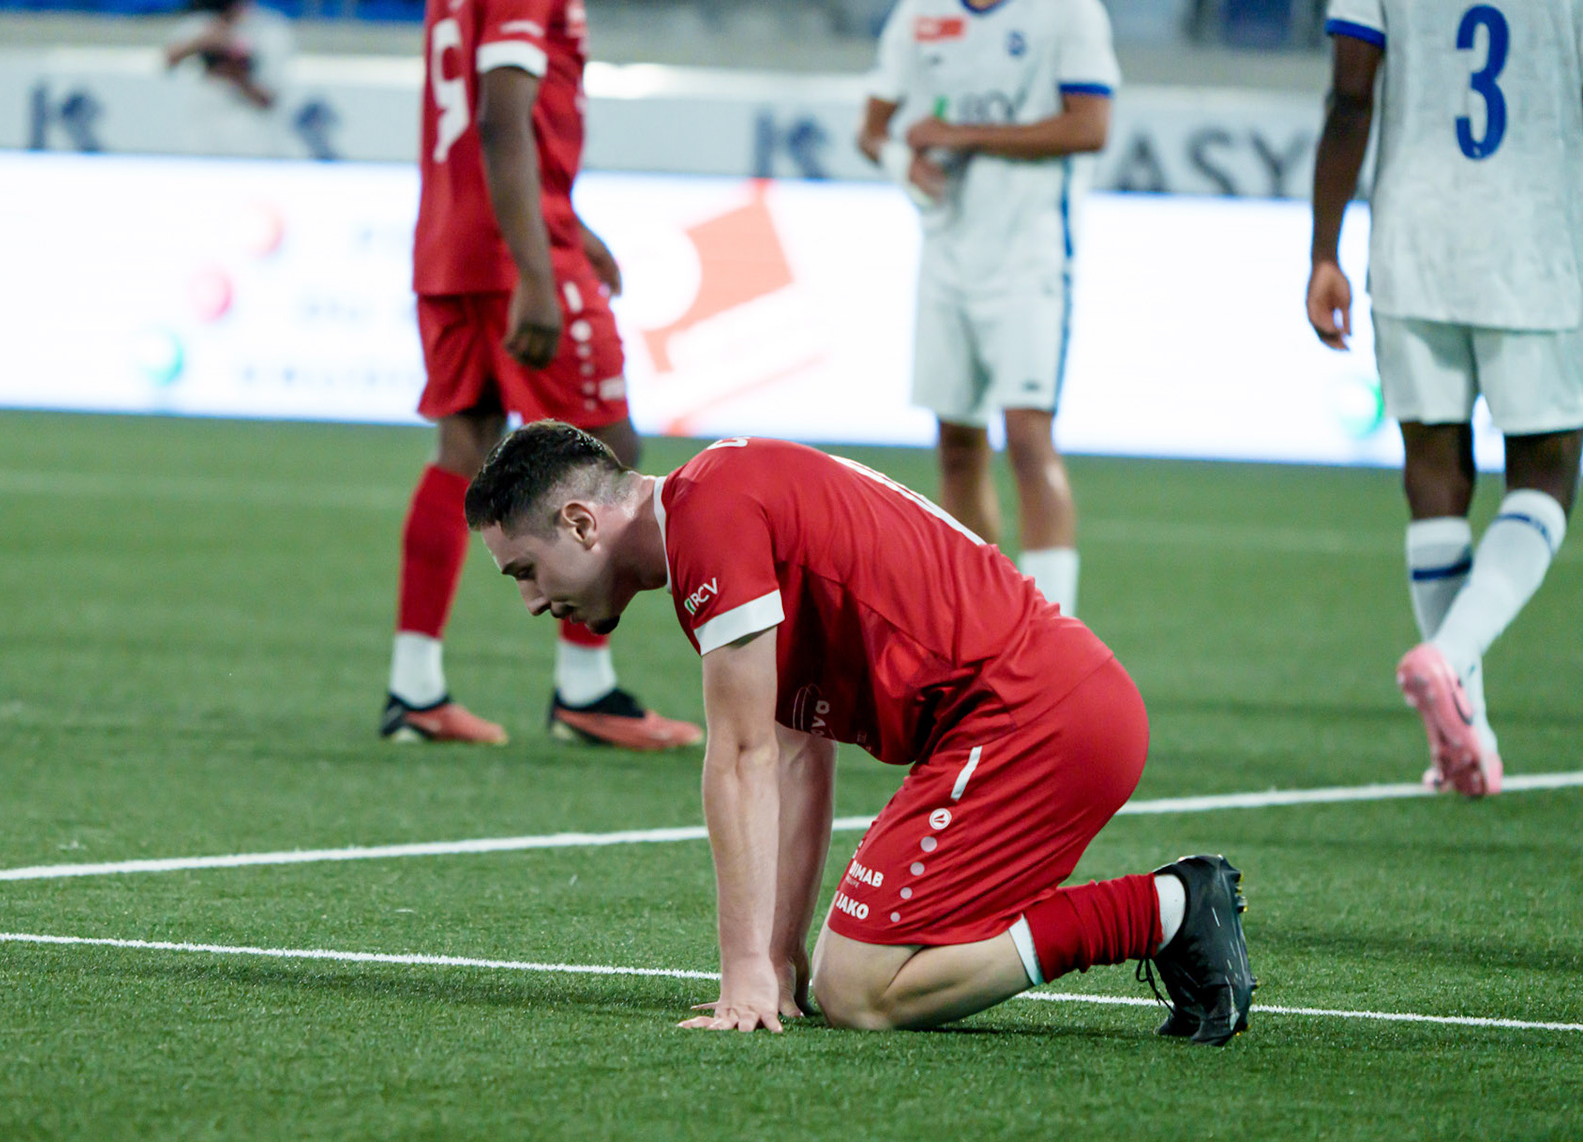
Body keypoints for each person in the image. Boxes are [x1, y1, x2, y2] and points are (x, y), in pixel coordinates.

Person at [465, 423, 1257, 1042]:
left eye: (525, 571)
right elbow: (798, 754)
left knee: (857, 989)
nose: (532, 603)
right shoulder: (714, 502)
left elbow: (741, 758)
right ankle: (1168, 908)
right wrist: (774, 957)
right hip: (1040, 708)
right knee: (850, 974)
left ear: (580, 522)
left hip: (1031, 715)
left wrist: (741, 975)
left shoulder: (710, 518)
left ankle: (1165, 908)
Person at [384, 0, 702, 752]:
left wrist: (566, 223)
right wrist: (536, 267)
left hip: (452, 241)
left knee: (462, 450)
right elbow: (502, 117)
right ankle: (585, 688)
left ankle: (414, 687)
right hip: (513, 252)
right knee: (607, 452)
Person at [1307, 0, 1583, 796]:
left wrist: (1324, 250)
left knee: (1433, 474)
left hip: (1413, 242)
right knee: (1547, 473)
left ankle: (1467, 736)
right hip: (1533, 247)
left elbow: (1349, 97)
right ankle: (1451, 656)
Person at [855, 0, 1120, 618]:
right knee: (956, 442)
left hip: (1030, 258)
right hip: (946, 254)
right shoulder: (921, 13)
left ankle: (1055, 634)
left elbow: (1089, 127)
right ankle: (979, 624)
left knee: (1027, 436)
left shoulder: (1070, 13)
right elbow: (871, 128)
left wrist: (961, 134)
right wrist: (902, 163)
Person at [164, 0, 296, 158]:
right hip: (199, 134)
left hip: (249, 139)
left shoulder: (270, 29)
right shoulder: (200, 23)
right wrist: (204, 43)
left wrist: (236, 69)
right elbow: (169, 60)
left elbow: (269, 99)